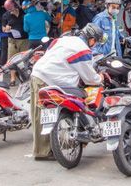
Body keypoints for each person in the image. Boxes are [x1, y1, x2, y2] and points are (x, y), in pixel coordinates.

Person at [30, 23, 105, 160]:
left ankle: (43, 150)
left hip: (38, 74)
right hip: (52, 80)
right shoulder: (83, 50)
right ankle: (47, 150)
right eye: (95, 42)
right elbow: (89, 78)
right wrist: (100, 78)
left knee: (40, 115)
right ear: (92, 39)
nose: (94, 45)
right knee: (48, 113)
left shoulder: (64, 39)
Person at [1, 0, 27, 84]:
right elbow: (3, 29)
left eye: (11, 8)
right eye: (8, 9)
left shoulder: (24, 13)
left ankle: (25, 78)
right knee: (12, 59)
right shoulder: (6, 15)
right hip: (12, 40)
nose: (10, 10)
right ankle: (13, 79)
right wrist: (6, 28)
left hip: (24, 39)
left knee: (24, 59)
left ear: (15, 5)